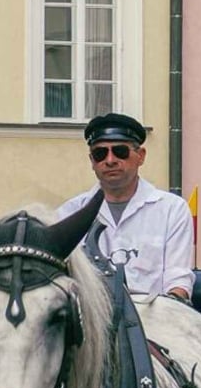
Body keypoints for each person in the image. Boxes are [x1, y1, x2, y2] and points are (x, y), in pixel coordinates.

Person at [56, 112, 194, 299]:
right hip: (90, 321)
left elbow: (178, 280)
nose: (110, 160)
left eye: (120, 151)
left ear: (141, 156)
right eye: (100, 153)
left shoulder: (172, 209)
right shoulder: (69, 213)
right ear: (92, 161)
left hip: (154, 318)